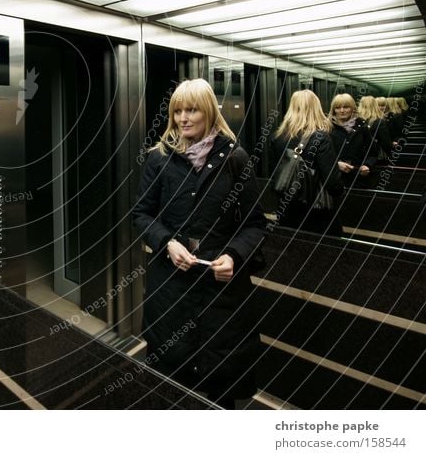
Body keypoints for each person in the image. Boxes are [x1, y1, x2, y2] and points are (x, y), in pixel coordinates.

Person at [133, 78, 266, 408]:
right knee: (171, 388)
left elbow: (255, 224)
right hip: (171, 291)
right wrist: (167, 242)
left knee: (220, 385)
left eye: (191, 110)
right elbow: (141, 215)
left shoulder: (235, 159)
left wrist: (234, 256)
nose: (183, 118)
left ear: (207, 111)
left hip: (220, 294)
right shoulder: (159, 159)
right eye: (177, 111)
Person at [271, 90, 343, 236]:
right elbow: (333, 183)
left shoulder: (278, 137)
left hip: (287, 208)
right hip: (315, 212)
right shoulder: (321, 138)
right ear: (316, 108)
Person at [328, 94, 374, 188]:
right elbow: (322, 156)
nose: (342, 111)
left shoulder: (362, 126)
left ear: (352, 108)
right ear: (333, 110)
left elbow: (373, 152)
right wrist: (336, 164)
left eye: (346, 107)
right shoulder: (328, 127)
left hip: (358, 178)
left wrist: (367, 165)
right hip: (334, 179)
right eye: (337, 108)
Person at [357, 95, 393, 163]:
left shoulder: (356, 121)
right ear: (375, 105)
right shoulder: (378, 122)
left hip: (359, 157)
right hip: (376, 157)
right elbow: (386, 143)